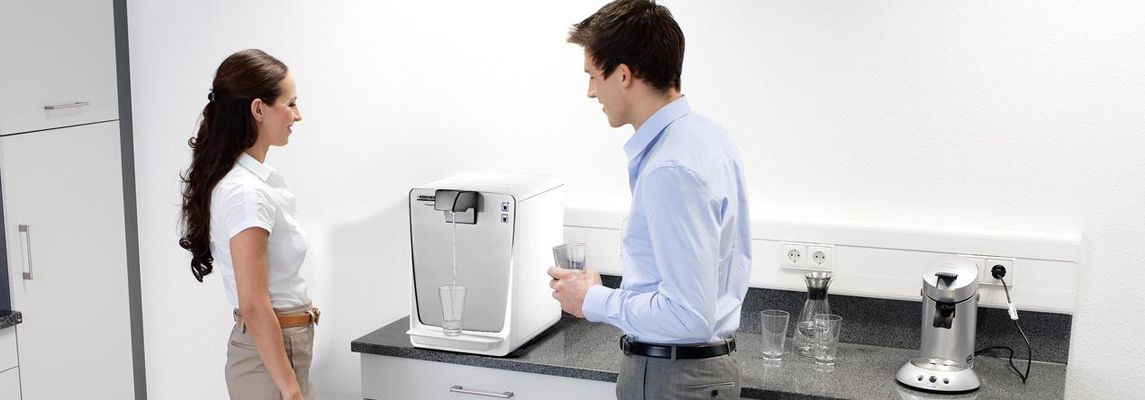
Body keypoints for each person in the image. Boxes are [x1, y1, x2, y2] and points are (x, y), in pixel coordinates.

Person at [547, 1, 752, 399]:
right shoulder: (706, 137)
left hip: (673, 378)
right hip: (695, 373)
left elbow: (687, 316)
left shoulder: (670, 167)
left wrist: (592, 300)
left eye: (593, 76)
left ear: (624, 75)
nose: (591, 92)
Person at [178, 49, 316, 400]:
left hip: (277, 351)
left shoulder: (254, 182)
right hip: (269, 359)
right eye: (291, 103)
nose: (298, 115)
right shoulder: (246, 193)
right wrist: (291, 391)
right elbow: (253, 304)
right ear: (258, 109)